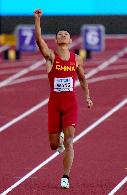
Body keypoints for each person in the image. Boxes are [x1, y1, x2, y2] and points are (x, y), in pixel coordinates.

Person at [34, 9, 93, 189]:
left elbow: (82, 78)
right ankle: (57, 141)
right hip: (54, 104)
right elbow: (38, 40)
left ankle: (65, 176)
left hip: (70, 105)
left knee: (69, 141)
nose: (63, 35)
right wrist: (37, 20)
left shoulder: (77, 59)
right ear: (57, 40)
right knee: (53, 145)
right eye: (60, 34)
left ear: (69, 41)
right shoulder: (51, 57)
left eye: (66, 34)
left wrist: (88, 97)